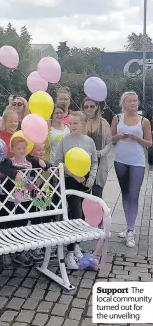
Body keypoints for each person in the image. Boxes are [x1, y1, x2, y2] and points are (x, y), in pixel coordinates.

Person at [0, 137, 52, 268]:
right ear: (12, 149)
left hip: (29, 197)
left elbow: (46, 164)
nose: (21, 151)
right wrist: (14, 174)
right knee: (14, 223)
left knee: (29, 221)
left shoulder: (31, 160)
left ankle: (24, 249)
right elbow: (1, 167)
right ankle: (10, 250)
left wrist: (44, 163)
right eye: (18, 148)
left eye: (23, 148)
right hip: (13, 199)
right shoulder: (9, 161)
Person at [54, 111, 98, 269]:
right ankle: (70, 252)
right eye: (70, 123)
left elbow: (94, 162)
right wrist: (72, 173)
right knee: (76, 214)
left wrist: (91, 178)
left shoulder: (89, 142)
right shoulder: (64, 141)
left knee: (83, 215)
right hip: (70, 182)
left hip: (84, 182)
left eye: (75, 123)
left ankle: (76, 245)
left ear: (83, 124)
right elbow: (58, 161)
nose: (71, 126)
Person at [111, 91, 152, 248]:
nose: (134, 103)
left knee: (134, 195)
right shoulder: (117, 118)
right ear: (124, 103)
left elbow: (149, 143)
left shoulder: (144, 121)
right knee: (126, 193)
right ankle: (128, 225)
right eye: (130, 101)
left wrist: (136, 138)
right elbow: (111, 138)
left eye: (136, 101)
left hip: (137, 162)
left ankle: (131, 230)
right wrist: (119, 137)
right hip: (120, 160)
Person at [82, 97, 113, 198]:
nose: (89, 109)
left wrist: (101, 153)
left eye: (92, 106)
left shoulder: (103, 123)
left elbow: (109, 143)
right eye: (86, 107)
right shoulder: (80, 123)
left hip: (99, 165)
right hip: (82, 164)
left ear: (97, 107)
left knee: (97, 196)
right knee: (82, 195)